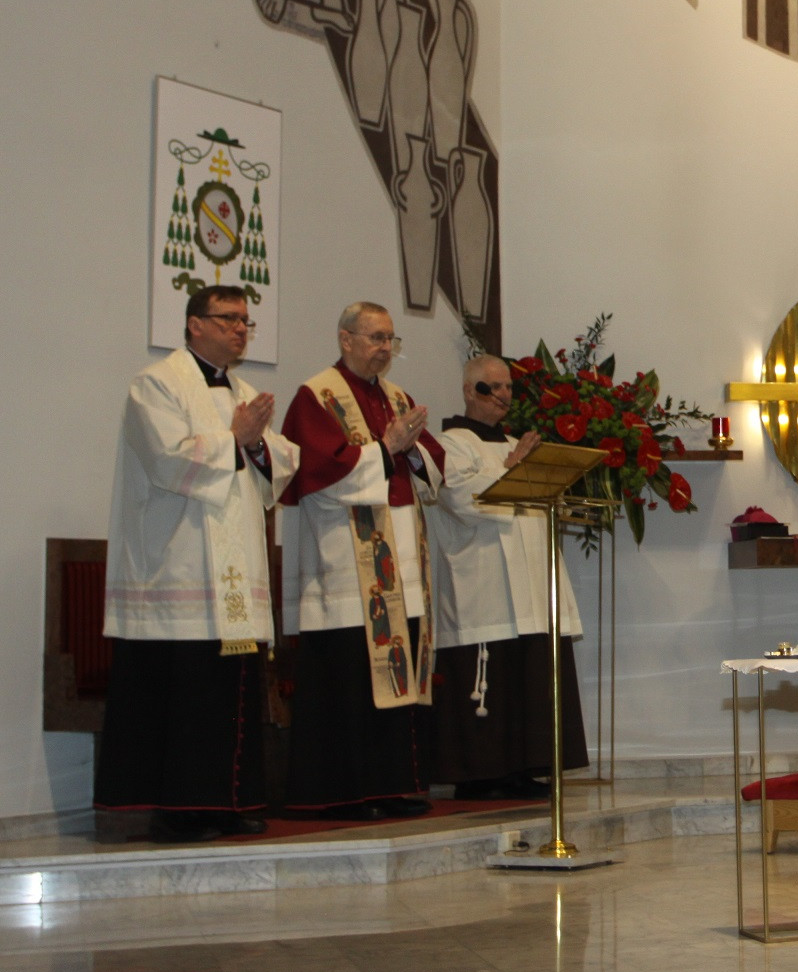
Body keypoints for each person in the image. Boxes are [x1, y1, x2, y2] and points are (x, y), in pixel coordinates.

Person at [96, 286, 299, 843]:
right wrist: (235, 441)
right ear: (194, 325)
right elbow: (166, 459)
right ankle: (179, 810)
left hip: (231, 576)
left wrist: (256, 446)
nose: (240, 329)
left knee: (228, 693)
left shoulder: (245, 392)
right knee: (185, 696)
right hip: (177, 568)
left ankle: (229, 803)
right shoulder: (156, 384)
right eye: (228, 318)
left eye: (245, 321)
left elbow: (281, 462)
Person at [279, 302, 445, 820]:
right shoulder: (317, 396)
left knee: (396, 677)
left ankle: (392, 785)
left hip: (402, 563)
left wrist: (409, 450)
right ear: (345, 338)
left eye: (391, 339)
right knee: (350, 683)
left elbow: (433, 466)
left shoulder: (397, 398)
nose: (385, 348)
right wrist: (385, 448)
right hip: (346, 568)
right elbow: (318, 472)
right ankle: (344, 793)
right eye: (376, 337)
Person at [427, 355, 590, 798]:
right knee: (490, 677)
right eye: (491, 387)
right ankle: (480, 777)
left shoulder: (519, 444)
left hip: (531, 583)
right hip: (483, 585)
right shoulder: (449, 444)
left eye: (507, 388)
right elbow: (461, 500)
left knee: (528, 675)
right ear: (469, 391)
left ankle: (524, 768)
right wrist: (513, 465)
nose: (502, 395)